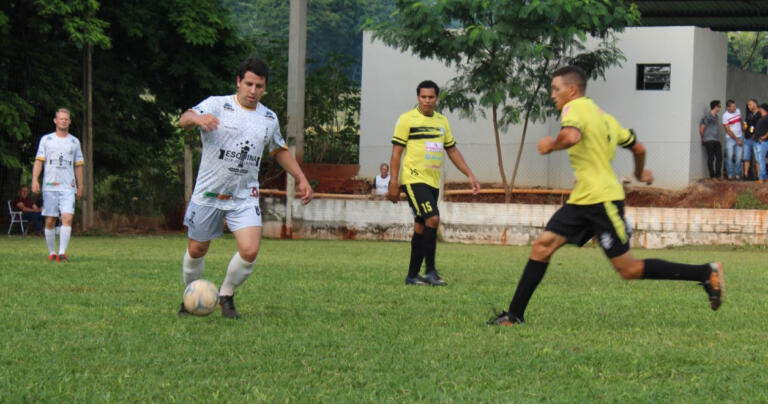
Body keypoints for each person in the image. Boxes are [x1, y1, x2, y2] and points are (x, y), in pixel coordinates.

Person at [488, 66, 725, 326]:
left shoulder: (574, 108)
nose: (552, 94)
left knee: (628, 269)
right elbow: (638, 147)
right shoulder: (605, 118)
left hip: (601, 202)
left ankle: (706, 272)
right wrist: (639, 172)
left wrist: (551, 145)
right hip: (584, 199)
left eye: (556, 88)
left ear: (572, 89)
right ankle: (514, 315)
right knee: (542, 246)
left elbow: (572, 135)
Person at [177, 56, 313, 319]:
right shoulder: (217, 104)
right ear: (238, 82)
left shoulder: (268, 118)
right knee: (197, 249)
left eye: (259, 86)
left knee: (250, 250)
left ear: (265, 87)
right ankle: (190, 296)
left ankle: (226, 296)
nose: (253, 91)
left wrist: (301, 177)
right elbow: (184, 118)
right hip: (208, 192)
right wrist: (197, 119)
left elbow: (279, 150)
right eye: (249, 84)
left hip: (243, 195)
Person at [388, 80, 480, 286]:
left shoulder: (442, 122)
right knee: (433, 219)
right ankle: (430, 271)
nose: (427, 101)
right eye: (423, 97)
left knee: (421, 225)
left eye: (431, 97)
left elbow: (452, 150)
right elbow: (396, 153)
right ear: (417, 97)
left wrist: (470, 175)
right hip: (413, 179)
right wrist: (393, 182)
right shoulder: (406, 120)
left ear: (437, 98)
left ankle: (412, 275)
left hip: (432, 182)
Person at [31, 108, 84, 262]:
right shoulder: (46, 140)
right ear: (55, 120)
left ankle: (62, 252)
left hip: (68, 186)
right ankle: (52, 252)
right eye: (61, 119)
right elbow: (39, 161)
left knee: (67, 217)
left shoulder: (74, 142)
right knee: (50, 220)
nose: (63, 121)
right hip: (50, 186)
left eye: (66, 119)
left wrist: (80, 185)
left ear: (70, 122)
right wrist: (35, 179)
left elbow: (78, 165)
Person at [699, 100, 722, 180]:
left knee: (719, 157)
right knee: (711, 157)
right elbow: (702, 128)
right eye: (719, 106)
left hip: (716, 140)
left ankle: (717, 175)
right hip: (709, 140)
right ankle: (712, 176)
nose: (720, 108)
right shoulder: (707, 115)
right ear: (715, 106)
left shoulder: (716, 116)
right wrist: (703, 138)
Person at [722, 99, 744, 180]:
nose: (735, 107)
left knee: (738, 157)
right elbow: (728, 130)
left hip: (740, 136)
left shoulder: (738, 111)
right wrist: (737, 140)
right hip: (730, 139)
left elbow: (740, 121)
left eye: (735, 106)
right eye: (733, 106)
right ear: (728, 108)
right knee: (729, 156)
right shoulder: (725, 116)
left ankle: (737, 174)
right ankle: (730, 174)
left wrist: (743, 129)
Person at [743, 99, 760, 180]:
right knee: (746, 157)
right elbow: (745, 124)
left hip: (756, 139)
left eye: (750, 104)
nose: (748, 106)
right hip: (747, 138)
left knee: (757, 158)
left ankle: (759, 176)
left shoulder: (760, 114)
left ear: (755, 104)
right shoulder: (748, 114)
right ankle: (746, 175)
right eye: (748, 104)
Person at [753, 103, 768, 183]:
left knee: (761, 160)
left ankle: (761, 178)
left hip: (763, 142)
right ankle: (764, 177)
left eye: (759, 108)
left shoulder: (767, 117)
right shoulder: (761, 118)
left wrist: (765, 136)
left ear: (762, 109)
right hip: (757, 141)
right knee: (759, 160)